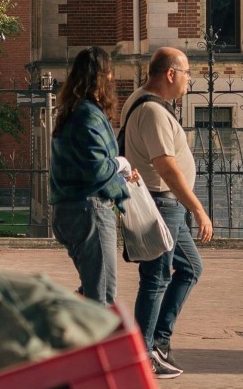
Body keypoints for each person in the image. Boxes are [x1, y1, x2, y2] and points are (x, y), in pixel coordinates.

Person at [122, 47, 211, 379]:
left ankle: (158, 341)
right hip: (162, 203)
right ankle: (144, 355)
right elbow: (166, 167)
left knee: (190, 268)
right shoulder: (153, 112)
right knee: (155, 280)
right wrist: (199, 208)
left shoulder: (142, 101)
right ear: (170, 74)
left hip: (167, 205)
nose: (190, 79)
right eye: (187, 72)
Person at [49, 45, 139, 303]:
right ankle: (69, 334)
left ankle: (68, 332)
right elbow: (96, 168)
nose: (111, 79)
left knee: (92, 290)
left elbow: (82, 165)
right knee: (102, 296)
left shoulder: (69, 113)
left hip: (68, 209)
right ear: (100, 77)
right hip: (90, 210)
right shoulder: (88, 115)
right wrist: (120, 164)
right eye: (108, 73)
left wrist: (117, 174)